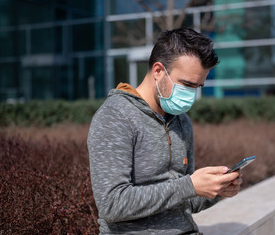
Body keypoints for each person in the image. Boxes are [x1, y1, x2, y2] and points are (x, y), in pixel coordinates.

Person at [87, 28, 242, 235]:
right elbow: (112, 205)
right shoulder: (115, 116)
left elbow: (185, 201)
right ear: (158, 71)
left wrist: (216, 189)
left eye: (197, 87)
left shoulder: (181, 121)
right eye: (186, 84)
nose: (191, 95)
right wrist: (188, 185)